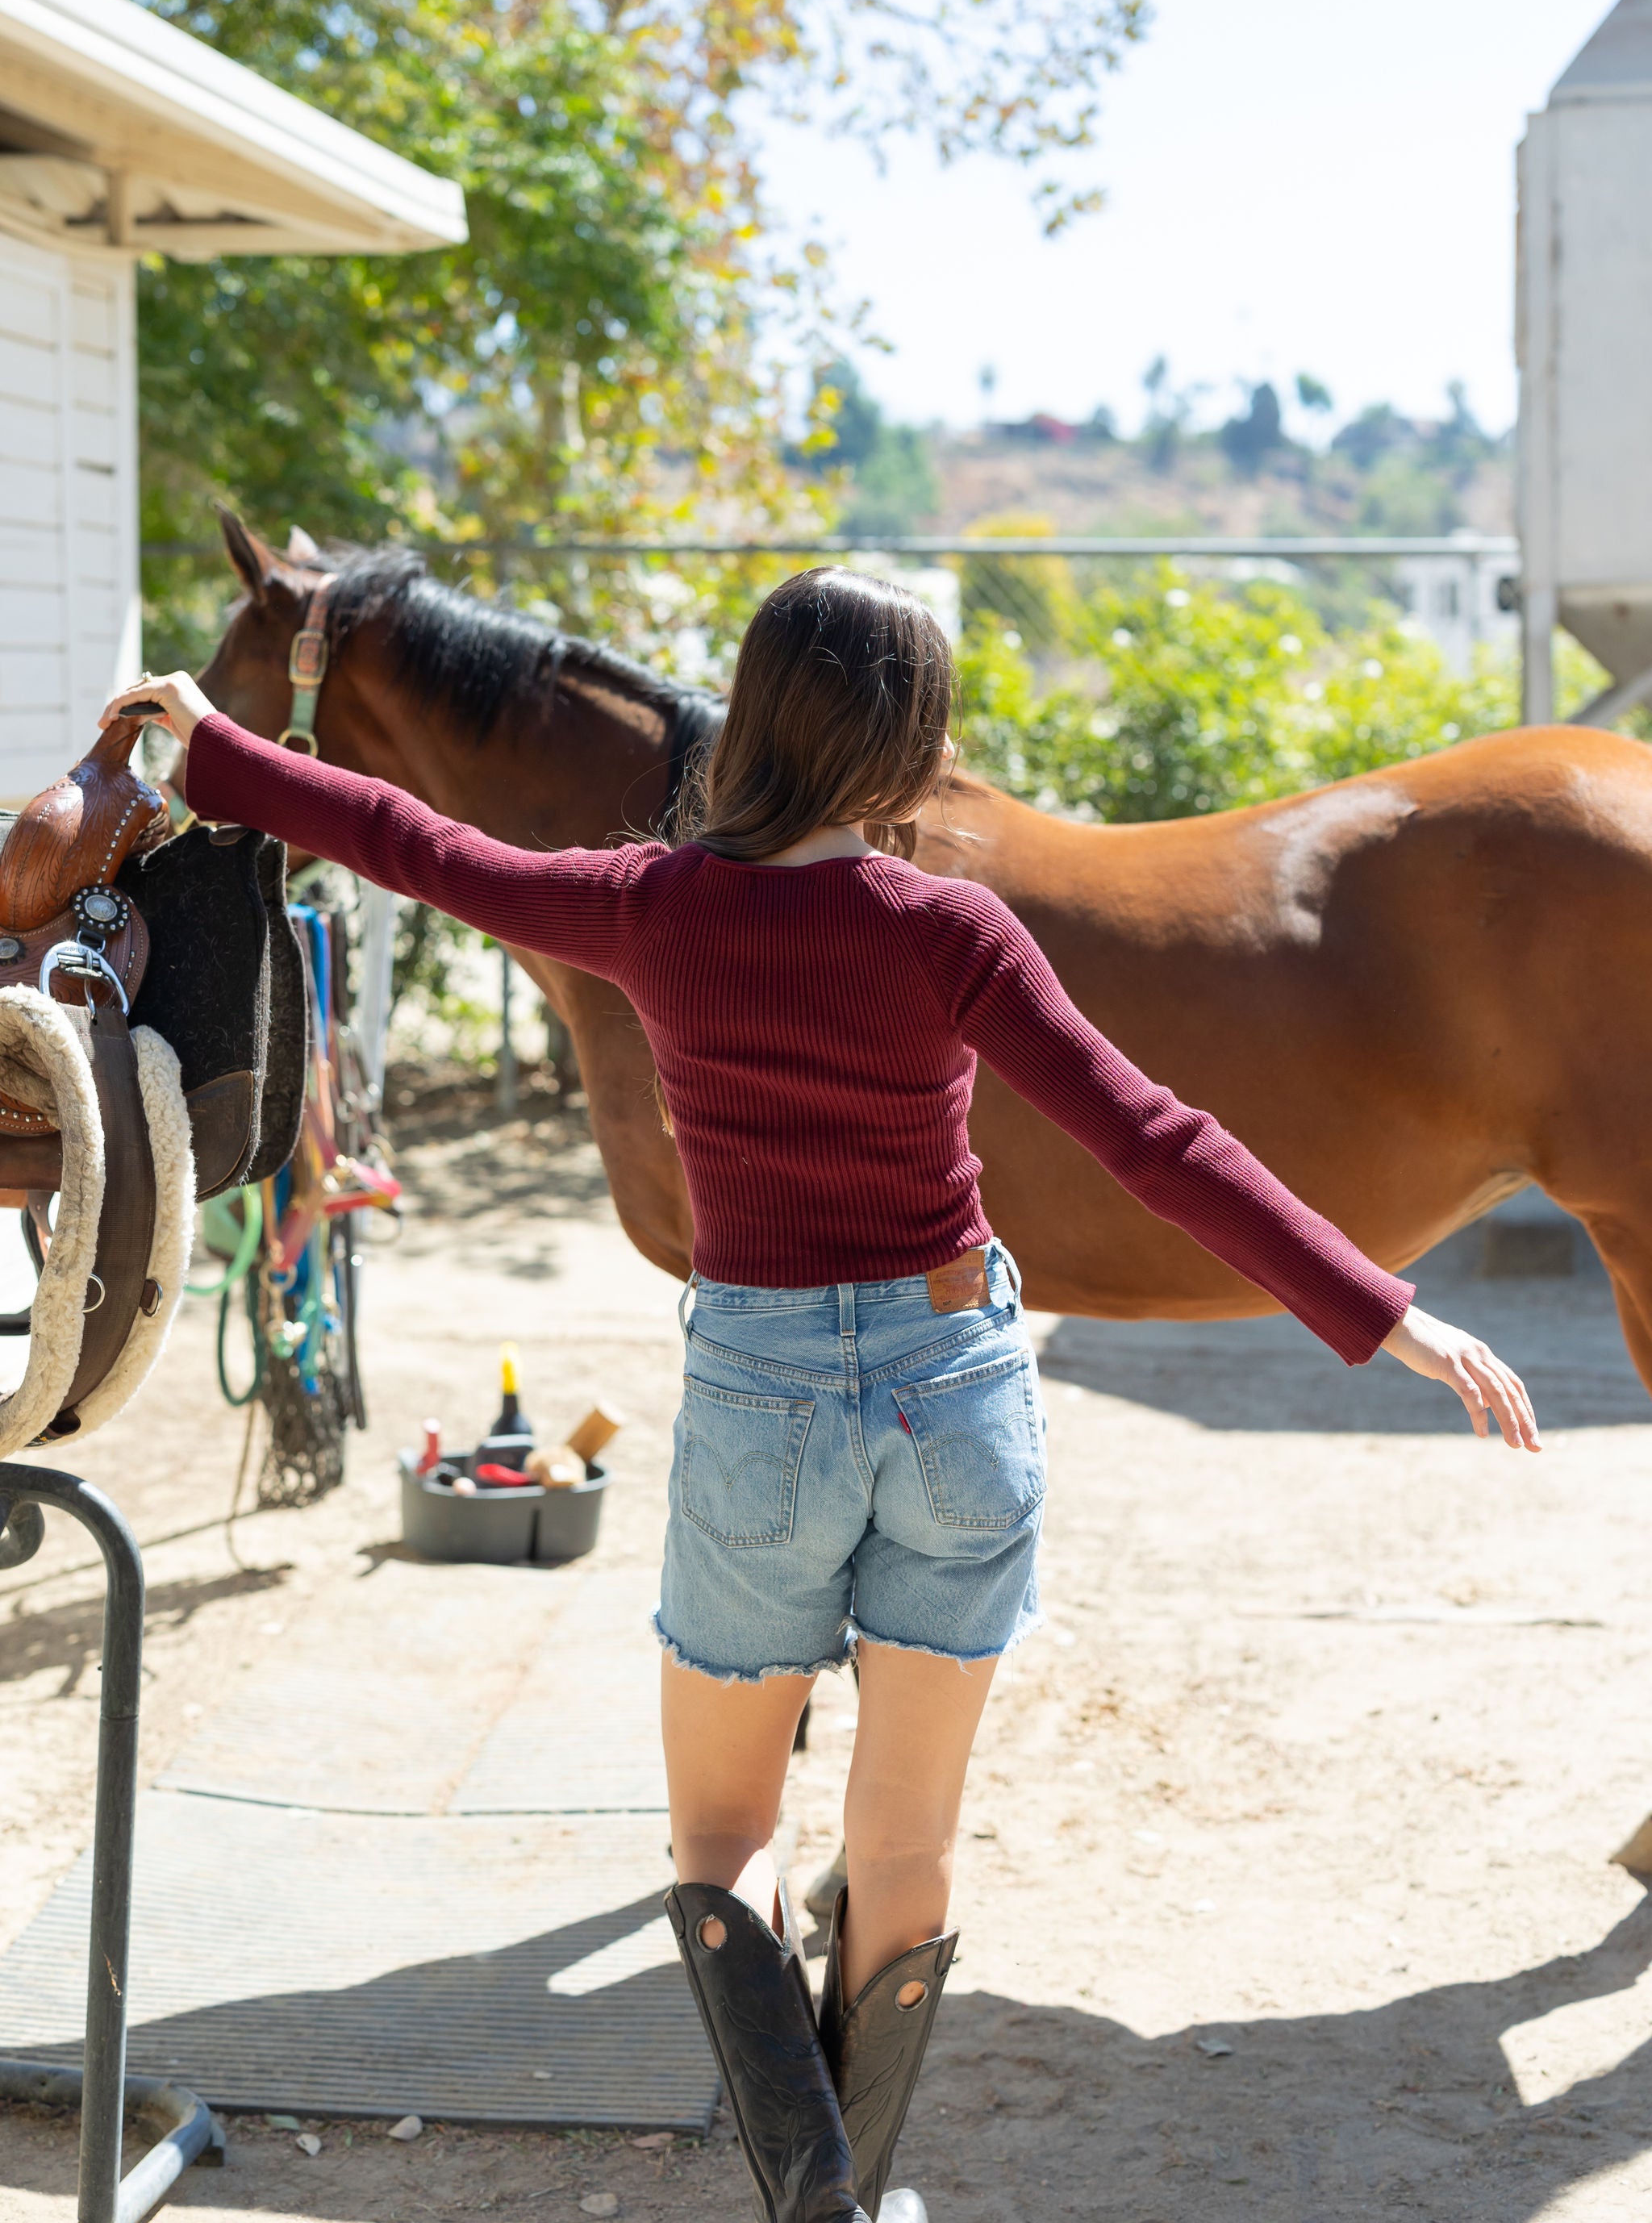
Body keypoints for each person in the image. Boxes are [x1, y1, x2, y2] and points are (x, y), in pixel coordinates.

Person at [106, 569, 1538, 2223]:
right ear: (911, 740)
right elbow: (1158, 1140)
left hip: (763, 1403)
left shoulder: (650, 905)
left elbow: (418, 846)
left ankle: (817, 2203)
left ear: (761, 713)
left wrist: (213, 753)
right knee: (909, 1850)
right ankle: (848, 2195)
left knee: (721, 1840)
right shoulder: (953, 930)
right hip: (958, 1400)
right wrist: (1382, 1314)